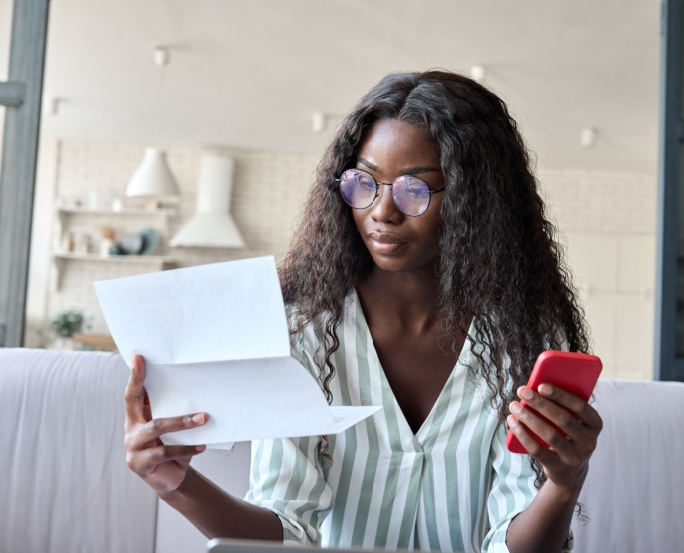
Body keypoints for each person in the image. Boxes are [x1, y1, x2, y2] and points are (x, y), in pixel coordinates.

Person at [124, 70, 602, 553]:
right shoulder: (304, 333)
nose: (381, 211)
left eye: (414, 190)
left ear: (475, 202)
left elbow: (512, 541)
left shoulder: (524, 338)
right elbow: (286, 528)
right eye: (364, 182)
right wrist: (177, 485)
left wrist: (563, 483)